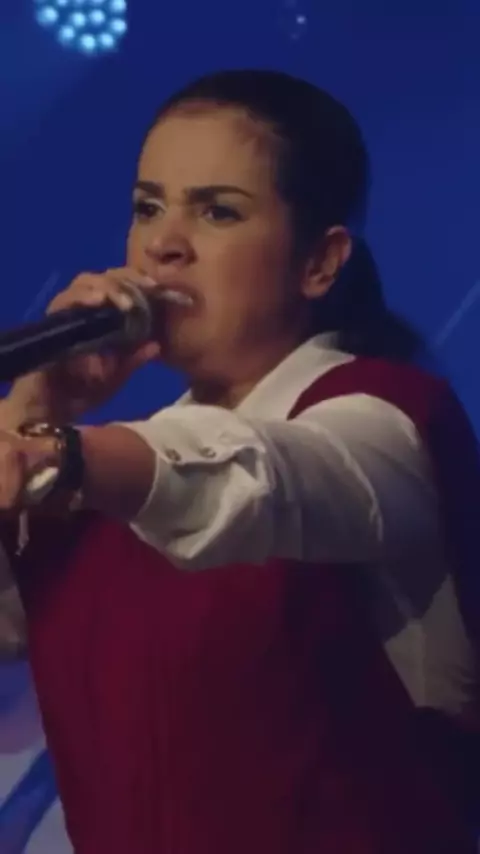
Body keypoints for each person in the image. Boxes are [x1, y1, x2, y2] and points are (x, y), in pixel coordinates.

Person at [0, 68, 478, 853]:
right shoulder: (93, 470)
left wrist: (53, 453)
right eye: (146, 208)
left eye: (217, 211)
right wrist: (32, 401)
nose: (162, 244)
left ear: (320, 261)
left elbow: (255, 480)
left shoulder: (384, 424)